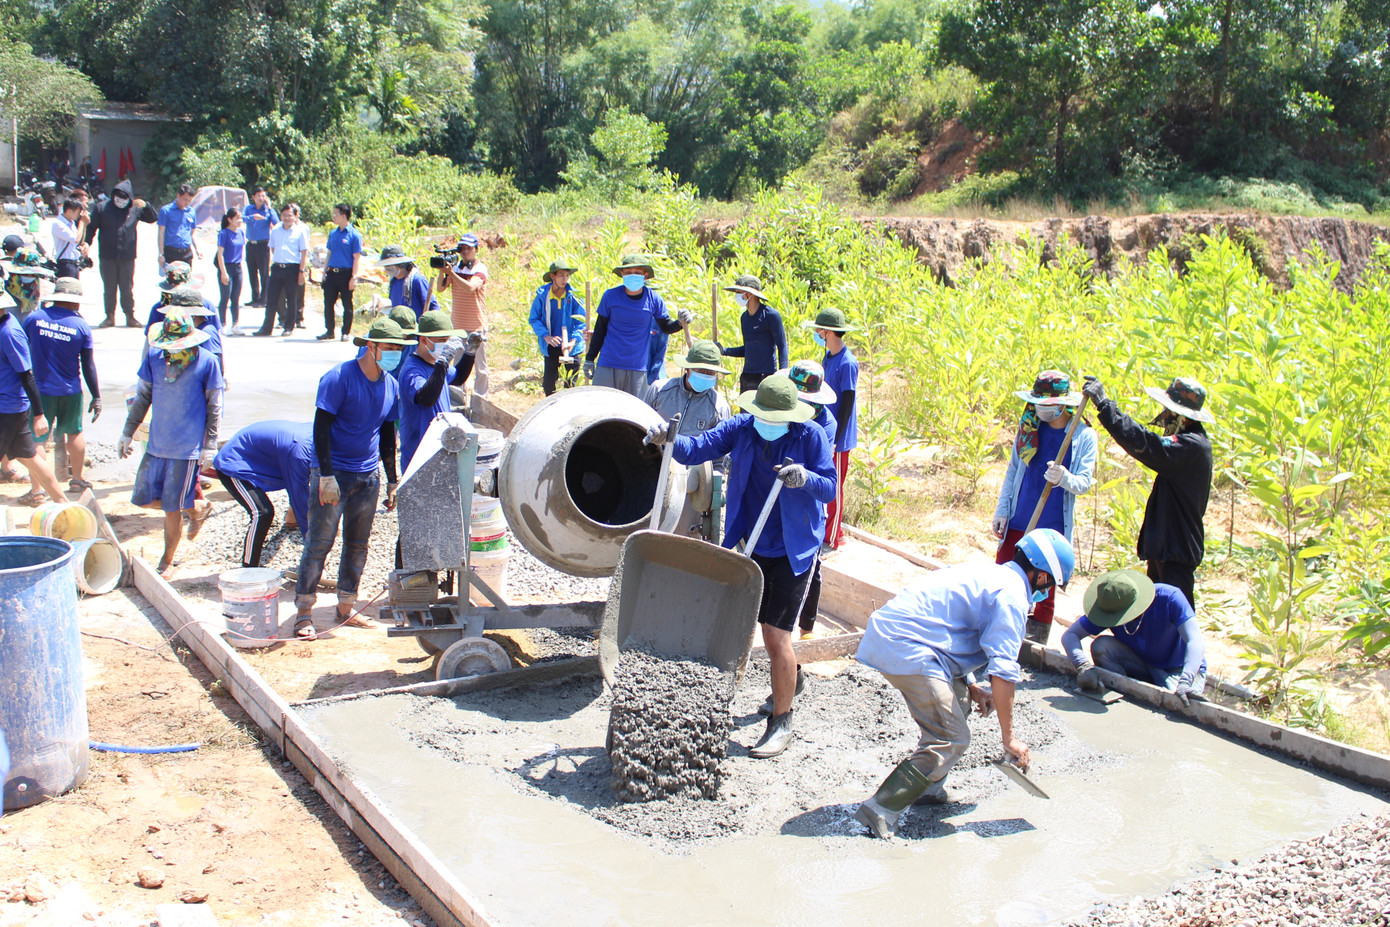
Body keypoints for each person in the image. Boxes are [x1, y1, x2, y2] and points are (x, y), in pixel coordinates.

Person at [647, 374, 836, 759]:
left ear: (792, 415)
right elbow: (695, 448)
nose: (766, 422)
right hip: (750, 540)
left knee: (775, 636)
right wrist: (666, 439)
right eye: (762, 415)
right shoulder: (742, 428)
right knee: (735, 622)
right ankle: (791, 679)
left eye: (775, 417)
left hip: (792, 547)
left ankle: (781, 721)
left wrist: (805, 478)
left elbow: (830, 487)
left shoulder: (810, 436)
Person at [853, 528, 1075, 838]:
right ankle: (879, 809)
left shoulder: (989, 573)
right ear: (1041, 577)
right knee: (952, 737)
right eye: (1050, 585)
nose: (1047, 592)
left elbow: (951, 629)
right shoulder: (1011, 598)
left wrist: (970, 683)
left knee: (960, 699)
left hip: (901, 637)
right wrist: (1009, 738)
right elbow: (1003, 672)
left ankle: (928, 788)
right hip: (908, 647)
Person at [294, 317, 410, 641]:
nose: (394, 355)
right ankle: (304, 611)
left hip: (367, 476)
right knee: (319, 543)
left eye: (399, 349)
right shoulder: (339, 378)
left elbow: (388, 433)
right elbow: (321, 428)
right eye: (389, 349)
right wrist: (326, 475)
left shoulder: (390, 385)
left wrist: (391, 479)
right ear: (371, 347)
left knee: (358, 545)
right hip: (335, 473)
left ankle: (346, 607)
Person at [1082, 375, 1214, 610]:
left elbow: (1146, 443)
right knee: (1157, 615)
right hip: (1166, 547)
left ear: (1182, 416)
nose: (1163, 416)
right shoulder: (1188, 443)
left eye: (1168, 410)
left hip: (1177, 550)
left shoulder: (1192, 446)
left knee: (1176, 619)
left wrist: (1105, 406)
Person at [117, 309, 225, 576]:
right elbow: (143, 396)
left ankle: (166, 561)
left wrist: (210, 445)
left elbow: (215, 406)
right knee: (143, 500)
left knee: (171, 508)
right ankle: (197, 507)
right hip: (157, 443)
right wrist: (127, 432)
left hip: (186, 448)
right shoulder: (154, 358)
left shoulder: (207, 362)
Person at [992, 371, 1096, 644]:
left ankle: (1035, 638)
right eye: (1039, 403)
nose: (1042, 409)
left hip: (1052, 524)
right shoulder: (1029, 427)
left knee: (1042, 584)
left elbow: (1084, 483)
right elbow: (1014, 470)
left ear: (1063, 404)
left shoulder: (1083, 435)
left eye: (1048, 405)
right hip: (1020, 516)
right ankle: (996, 626)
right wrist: (1003, 509)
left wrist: (1064, 478)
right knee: (1005, 573)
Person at [1059, 569, 1207, 704]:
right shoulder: (1110, 606)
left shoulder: (1169, 598)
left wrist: (1186, 681)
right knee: (1101, 646)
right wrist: (1082, 666)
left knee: (1177, 702)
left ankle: (1175, 685)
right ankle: (1126, 690)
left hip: (1177, 669)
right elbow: (1070, 635)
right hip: (1140, 662)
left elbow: (1195, 641)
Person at [23, 278, 100, 496]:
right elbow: (87, 364)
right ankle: (76, 480)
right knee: (74, 433)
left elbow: (21, 350)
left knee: (38, 438)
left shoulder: (34, 319)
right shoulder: (81, 325)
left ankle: (37, 490)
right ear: (76, 302)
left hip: (40, 391)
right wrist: (96, 396)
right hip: (70, 390)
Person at [781, 359, 837, 643]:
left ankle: (807, 629)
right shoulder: (784, 412)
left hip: (809, 503)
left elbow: (822, 476)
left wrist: (802, 476)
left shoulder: (824, 425)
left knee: (810, 566)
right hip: (781, 498)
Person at [584, 254, 692, 398]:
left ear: (645, 276)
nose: (632, 276)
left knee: (633, 414)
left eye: (637, 273)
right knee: (602, 408)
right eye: (628, 273)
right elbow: (600, 330)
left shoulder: (654, 299)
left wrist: (680, 323)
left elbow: (666, 327)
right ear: (622, 274)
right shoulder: (610, 296)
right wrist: (590, 359)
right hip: (609, 363)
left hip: (637, 367)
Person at [213, 421, 315, 568]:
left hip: (258, 455)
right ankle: (249, 567)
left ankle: (291, 521)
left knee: (303, 478)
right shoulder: (301, 452)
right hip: (234, 464)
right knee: (263, 512)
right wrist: (313, 547)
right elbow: (299, 497)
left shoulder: (321, 431)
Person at [0, 287, 69, 506]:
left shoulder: (10, 333)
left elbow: (27, 375)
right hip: (9, 406)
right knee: (27, 456)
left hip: (8, 407)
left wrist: (39, 414)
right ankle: (62, 502)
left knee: (28, 455)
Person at [396, 309, 481, 473]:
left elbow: (457, 378)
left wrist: (470, 352)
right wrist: (443, 361)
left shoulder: (434, 365)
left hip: (439, 448)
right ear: (423, 340)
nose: (446, 344)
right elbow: (426, 398)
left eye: (448, 339)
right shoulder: (412, 370)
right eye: (441, 340)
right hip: (419, 455)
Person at [805, 308, 859, 551]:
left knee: (834, 488)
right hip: (827, 431)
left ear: (828, 332)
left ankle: (833, 539)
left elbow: (847, 403)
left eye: (819, 330)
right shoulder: (828, 358)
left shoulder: (847, 362)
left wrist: (836, 438)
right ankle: (830, 530)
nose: (817, 333)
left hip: (840, 438)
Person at [83, 178, 157, 328]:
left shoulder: (134, 208)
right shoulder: (102, 207)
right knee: (109, 288)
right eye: (118, 196)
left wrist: (147, 206)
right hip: (107, 255)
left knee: (127, 287)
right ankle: (109, 316)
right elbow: (91, 228)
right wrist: (86, 243)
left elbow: (152, 219)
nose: (121, 200)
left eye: (124, 197)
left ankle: (130, 316)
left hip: (127, 256)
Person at [644, 340, 733, 438]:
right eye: (701, 370)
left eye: (711, 372)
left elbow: (721, 445)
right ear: (688, 368)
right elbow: (641, 423)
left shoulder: (719, 407)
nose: (705, 375)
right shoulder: (659, 390)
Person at [437, 232, 489, 394]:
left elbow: (470, 288)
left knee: (480, 367)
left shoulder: (480, 269)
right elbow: (440, 288)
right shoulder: (456, 267)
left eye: (468, 248)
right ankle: (458, 396)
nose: (465, 252)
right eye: (462, 248)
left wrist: (451, 273)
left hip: (476, 325)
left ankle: (482, 399)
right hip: (457, 325)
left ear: (476, 249)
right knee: (458, 365)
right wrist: (442, 271)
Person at [719, 275, 787, 394]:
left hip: (766, 376)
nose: (737, 295)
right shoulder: (744, 318)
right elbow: (748, 349)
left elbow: (782, 346)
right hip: (747, 377)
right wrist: (724, 350)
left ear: (750, 294)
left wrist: (782, 376)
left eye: (740, 292)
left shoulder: (770, 315)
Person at [527, 260, 585, 396]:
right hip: (552, 344)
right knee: (549, 384)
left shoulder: (575, 296)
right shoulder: (543, 296)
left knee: (571, 385)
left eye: (567, 276)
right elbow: (534, 318)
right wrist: (546, 336)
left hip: (572, 346)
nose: (564, 279)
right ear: (552, 276)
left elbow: (581, 322)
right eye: (561, 275)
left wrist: (573, 341)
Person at [256, 204, 310, 338]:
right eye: (284, 215)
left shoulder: (300, 231)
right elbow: (273, 248)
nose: (287, 218)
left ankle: (288, 326)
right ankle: (266, 328)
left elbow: (304, 252)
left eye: (290, 215)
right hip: (277, 267)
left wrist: (301, 271)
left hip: (292, 268)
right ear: (281, 216)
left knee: (291, 299)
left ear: (295, 216)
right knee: (272, 299)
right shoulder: (275, 230)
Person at [319, 203, 363, 342]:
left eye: (336, 214)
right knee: (328, 302)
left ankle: (345, 332)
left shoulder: (354, 235)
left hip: (346, 273)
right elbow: (329, 254)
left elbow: (356, 258)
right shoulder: (333, 233)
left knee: (347, 304)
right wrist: (324, 272)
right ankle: (329, 330)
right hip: (332, 272)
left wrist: (354, 277)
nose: (333, 216)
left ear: (344, 216)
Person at [377, 245, 439, 320]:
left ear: (400, 264)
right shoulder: (393, 282)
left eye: (389, 266)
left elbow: (433, 307)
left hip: (416, 328)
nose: (386, 269)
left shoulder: (417, 280)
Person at [1, 248, 53, 321]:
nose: (29, 277)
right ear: (13, 274)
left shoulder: (37, 294)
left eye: (32, 275)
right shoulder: (3, 292)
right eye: (25, 274)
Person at [243, 187, 274, 308]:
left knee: (264, 273)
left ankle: (264, 299)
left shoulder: (268, 210)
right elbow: (241, 218)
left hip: (263, 244)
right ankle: (254, 298)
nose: (261, 198)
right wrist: (253, 217)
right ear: (253, 197)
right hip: (251, 244)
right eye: (259, 196)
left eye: (263, 196)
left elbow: (276, 221)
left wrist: (270, 208)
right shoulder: (248, 209)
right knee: (252, 272)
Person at [216, 208, 246, 329]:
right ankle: (222, 323)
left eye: (241, 218)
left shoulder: (241, 232)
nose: (240, 221)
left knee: (236, 297)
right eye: (237, 218)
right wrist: (223, 272)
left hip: (238, 268)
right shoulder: (224, 233)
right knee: (225, 297)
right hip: (227, 267)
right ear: (229, 219)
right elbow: (220, 254)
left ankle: (235, 323)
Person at [157, 183, 199, 269]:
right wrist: (161, 254)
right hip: (171, 252)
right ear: (178, 196)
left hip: (186, 252)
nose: (187, 202)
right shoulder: (166, 211)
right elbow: (161, 233)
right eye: (185, 199)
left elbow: (193, 233)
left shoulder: (191, 212)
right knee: (171, 280)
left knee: (186, 280)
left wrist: (197, 249)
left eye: (189, 200)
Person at [51, 196, 88, 280]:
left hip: (74, 262)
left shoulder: (71, 223)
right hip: (65, 263)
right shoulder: (58, 224)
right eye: (78, 212)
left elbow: (79, 241)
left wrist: (84, 225)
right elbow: (75, 239)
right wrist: (81, 222)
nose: (79, 215)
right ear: (70, 211)